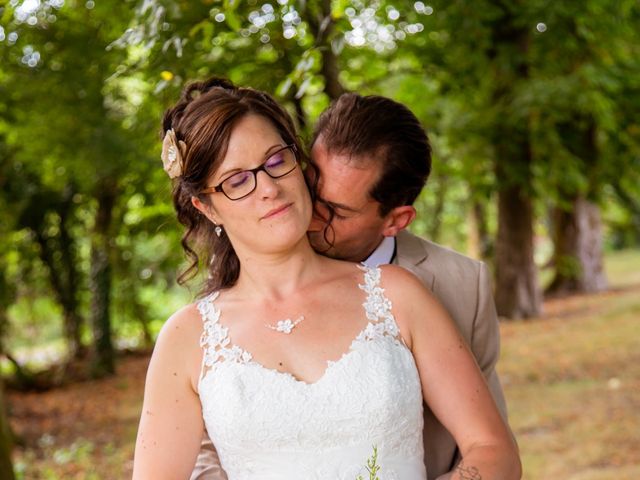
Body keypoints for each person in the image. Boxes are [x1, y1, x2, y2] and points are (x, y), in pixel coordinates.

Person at [133, 78, 520, 480]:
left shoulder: (397, 294)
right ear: (207, 208)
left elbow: (494, 450)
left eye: (275, 161)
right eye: (236, 181)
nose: (268, 187)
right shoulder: (187, 337)